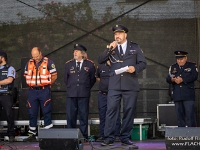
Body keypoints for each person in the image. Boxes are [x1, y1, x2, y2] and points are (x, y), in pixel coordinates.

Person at [98, 24, 146, 148]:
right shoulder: (112, 48)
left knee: (129, 111)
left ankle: (125, 137)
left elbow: (143, 63)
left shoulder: (135, 47)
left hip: (130, 84)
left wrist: (134, 68)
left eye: (119, 33)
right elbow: (100, 60)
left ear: (125, 34)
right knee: (111, 111)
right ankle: (109, 137)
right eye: (115, 34)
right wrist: (109, 49)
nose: (116, 35)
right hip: (114, 84)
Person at [23, 47, 57, 142]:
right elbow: (25, 75)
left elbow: (54, 76)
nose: (36, 58)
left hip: (44, 90)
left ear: (40, 53)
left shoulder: (49, 62)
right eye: (34, 56)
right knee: (32, 112)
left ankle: (48, 134)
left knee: (46, 111)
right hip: (32, 91)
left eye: (37, 56)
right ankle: (32, 133)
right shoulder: (29, 63)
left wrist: (49, 85)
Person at [64, 44, 96, 140]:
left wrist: (85, 87)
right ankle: (71, 136)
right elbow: (66, 79)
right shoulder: (68, 64)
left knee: (83, 115)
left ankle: (83, 136)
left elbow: (92, 79)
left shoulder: (90, 64)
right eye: (74, 51)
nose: (75, 53)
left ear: (82, 54)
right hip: (71, 93)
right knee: (70, 116)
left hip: (83, 94)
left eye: (77, 51)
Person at [166, 51, 198, 127]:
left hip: (188, 94)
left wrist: (183, 79)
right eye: (178, 59)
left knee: (190, 115)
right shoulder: (173, 67)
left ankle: (192, 133)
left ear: (185, 58)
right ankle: (181, 134)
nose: (179, 61)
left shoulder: (192, 66)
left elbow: (194, 76)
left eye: (181, 59)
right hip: (177, 94)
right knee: (179, 116)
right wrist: (172, 80)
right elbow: (168, 78)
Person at [96, 60, 121, 141]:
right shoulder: (100, 65)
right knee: (102, 114)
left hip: (114, 94)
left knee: (115, 114)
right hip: (103, 94)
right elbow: (98, 77)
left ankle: (116, 134)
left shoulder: (118, 65)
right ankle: (103, 135)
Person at [0, 51, 16, 142]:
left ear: (2, 58)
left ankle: (11, 135)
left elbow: (9, 80)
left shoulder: (10, 68)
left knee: (9, 115)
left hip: (6, 94)